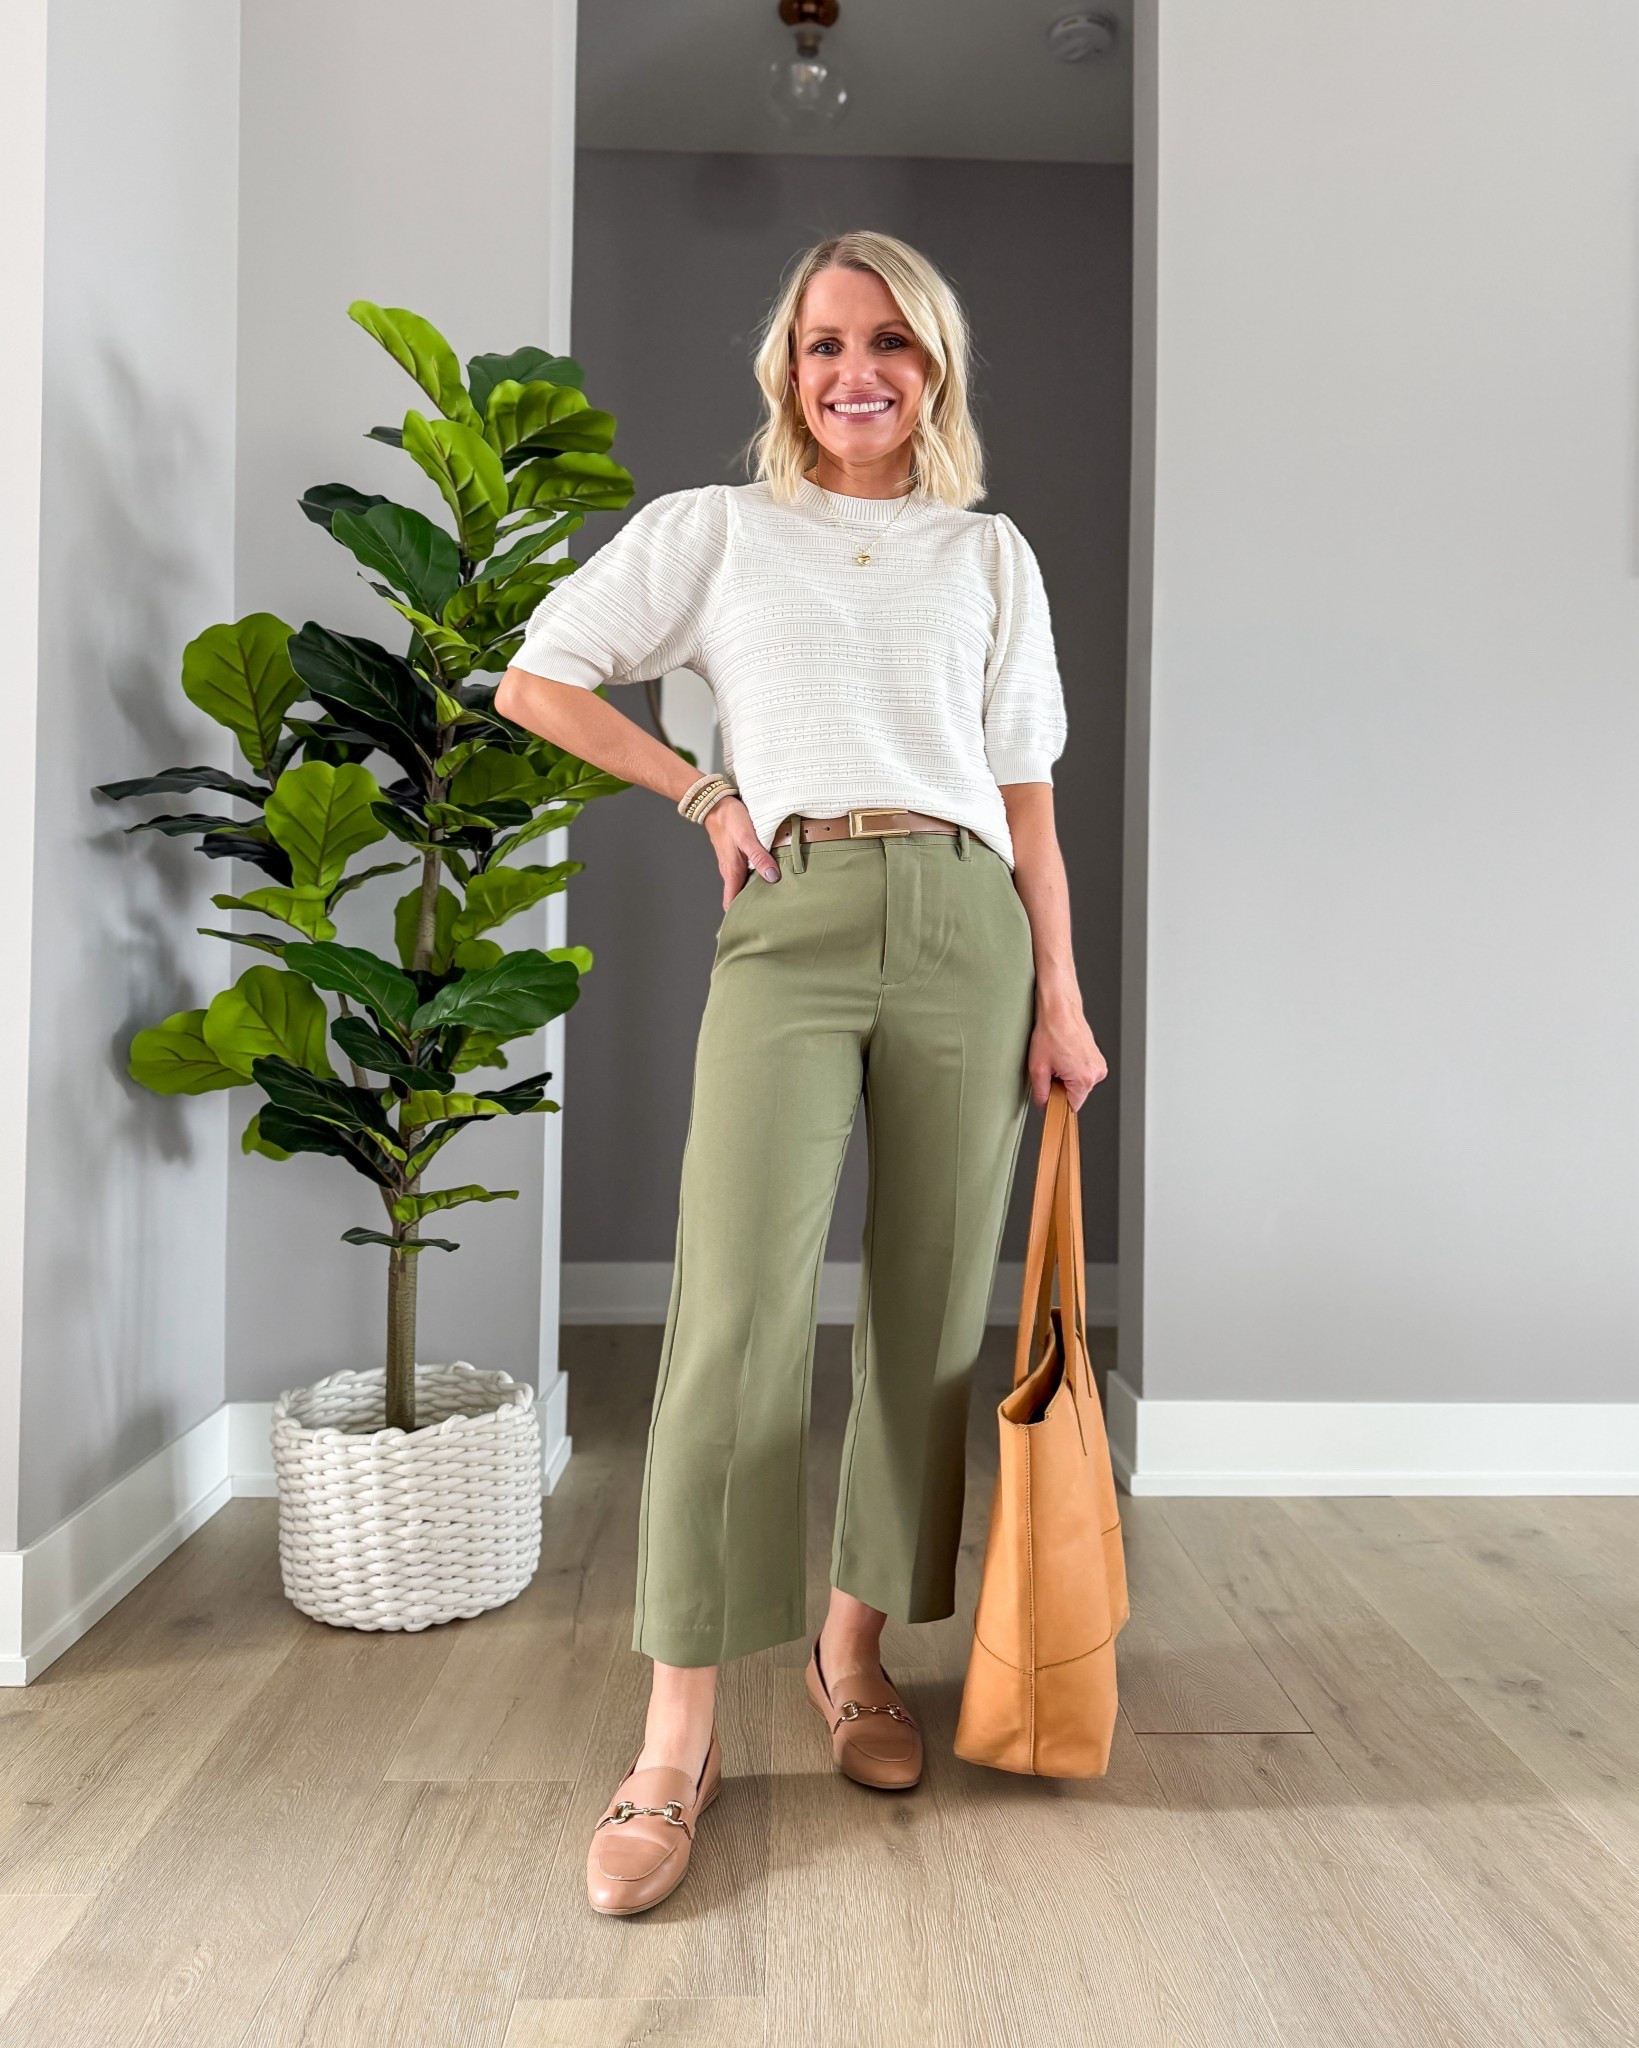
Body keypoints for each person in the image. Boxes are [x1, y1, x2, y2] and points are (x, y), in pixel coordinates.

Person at [493, 228, 1107, 1917]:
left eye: (893, 346)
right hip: (795, 907)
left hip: (970, 922)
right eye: (831, 342)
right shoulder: (717, 533)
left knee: (923, 1318)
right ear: (789, 365)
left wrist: (1060, 991)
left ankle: (852, 1657)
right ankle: (676, 1730)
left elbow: (1031, 794)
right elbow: (538, 679)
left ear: (936, 371)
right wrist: (700, 795)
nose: (860, 373)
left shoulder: (990, 559)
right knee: (734, 1317)